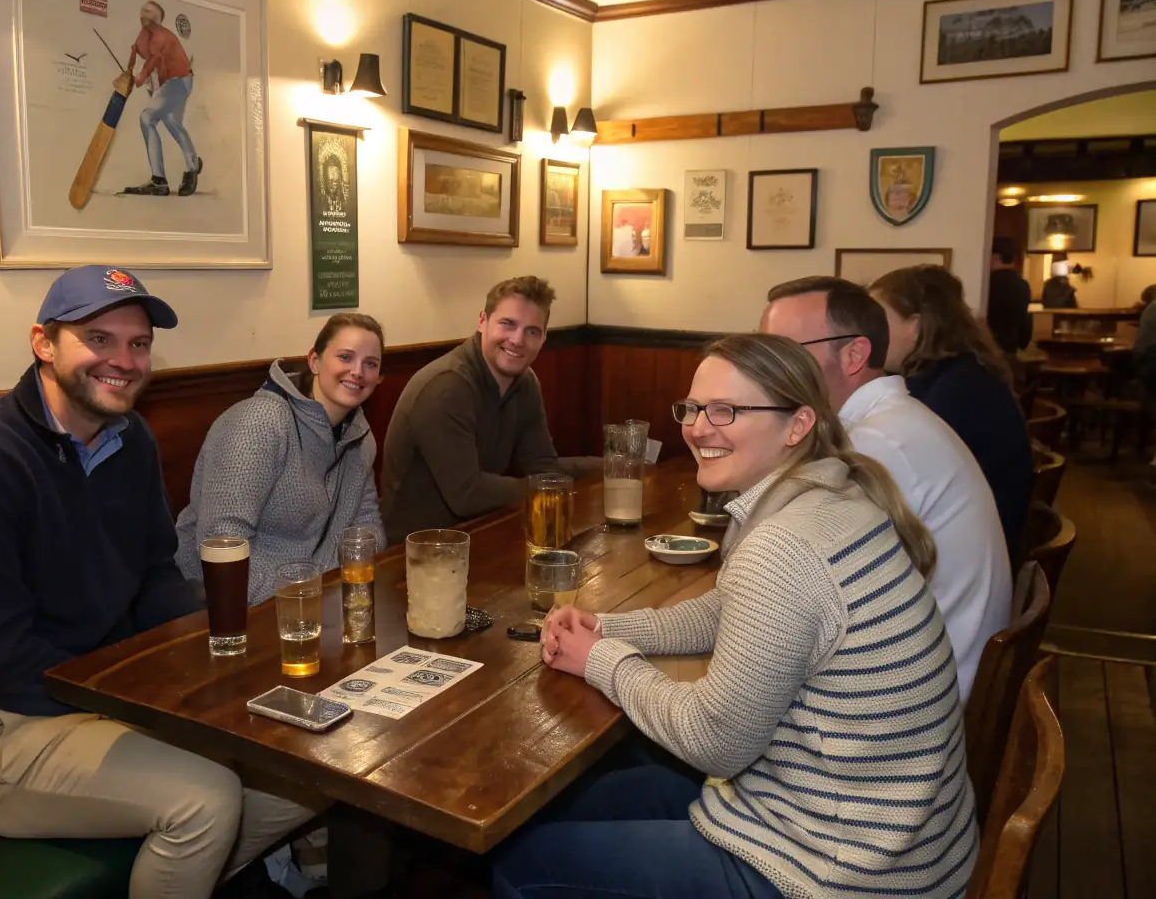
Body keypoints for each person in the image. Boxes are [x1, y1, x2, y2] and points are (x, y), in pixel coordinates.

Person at [494, 334, 977, 899]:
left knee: (521, 862)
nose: (699, 427)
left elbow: (716, 740)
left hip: (838, 871)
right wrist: (609, 629)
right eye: (693, 408)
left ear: (797, 426)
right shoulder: (834, 495)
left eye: (727, 410)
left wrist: (602, 660)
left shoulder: (785, 547)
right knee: (572, 803)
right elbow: (727, 610)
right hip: (888, 835)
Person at [0, 266, 313, 899]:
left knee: (308, 769)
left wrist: (224, 644)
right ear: (44, 343)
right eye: (99, 339)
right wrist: (149, 699)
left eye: (139, 343)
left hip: (101, 694)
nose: (123, 360)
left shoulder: (131, 439)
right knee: (205, 799)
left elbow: (154, 576)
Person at [761, 276, 1011, 697]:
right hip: (936, 666)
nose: (768, 369)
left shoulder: (878, 442)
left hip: (922, 701)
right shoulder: (893, 418)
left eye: (786, 351)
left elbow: (798, 593)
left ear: (854, 354)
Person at [175, 313, 386, 604]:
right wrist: (302, 594)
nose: (357, 372)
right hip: (222, 607)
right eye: (345, 357)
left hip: (318, 601)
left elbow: (369, 530)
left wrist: (325, 589)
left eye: (370, 364)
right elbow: (222, 544)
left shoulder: (361, 439)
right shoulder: (259, 422)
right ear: (314, 361)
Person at [380, 276, 598, 543]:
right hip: (413, 552)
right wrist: (547, 488)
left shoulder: (525, 382)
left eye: (532, 331)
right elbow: (468, 494)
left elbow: (542, 466)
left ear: (543, 339)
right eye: (508, 324)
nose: (518, 340)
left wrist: (616, 468)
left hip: (481, 532)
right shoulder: (446, 388)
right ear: (482, 321)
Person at [871, 265, 1033, 558]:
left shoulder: (955, 391)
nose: (869, 335)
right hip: (985, 543)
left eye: (878, 321)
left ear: (916, 326)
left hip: (970, 555)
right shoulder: (959, 373)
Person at [123, 0, 201, 198]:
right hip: (170, 82)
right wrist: (129, 71)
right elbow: (135, 50)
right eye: (142, 9)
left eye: (148, 10)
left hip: (179, 80)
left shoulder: (162, 36)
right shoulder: (144, 35)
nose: (143, 12)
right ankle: (192, 164)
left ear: (158, 16)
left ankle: (159, 180)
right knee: (171, 120)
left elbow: (154, 59)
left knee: (147, 118)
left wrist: (139, 77)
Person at [986, 236, 1033, 354]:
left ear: (995, 257)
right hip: (1011, 346)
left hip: (988, 344)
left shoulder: (987, 283)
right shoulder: (1023, 284)